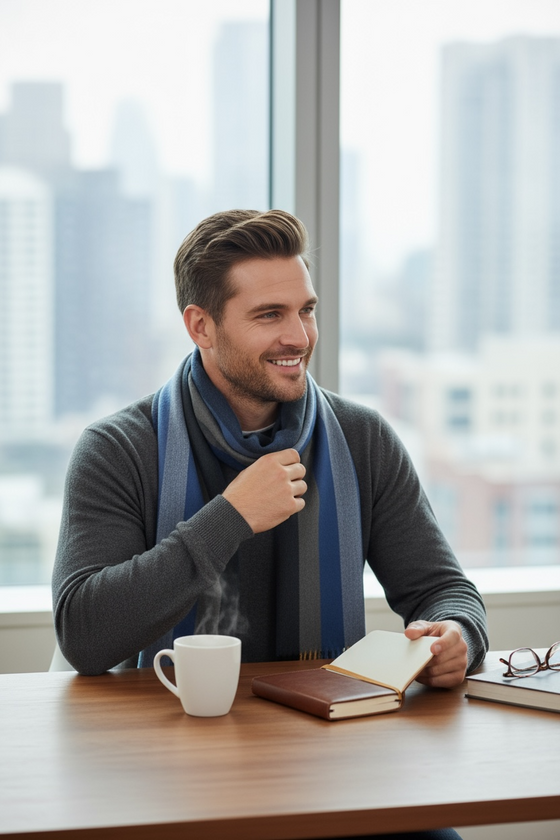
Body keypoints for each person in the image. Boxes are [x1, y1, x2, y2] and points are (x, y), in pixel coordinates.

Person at [53, 209, 487, 840]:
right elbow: (85, 635)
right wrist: (228, 517)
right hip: (163, 768)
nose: (299, 336)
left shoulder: (362, 439)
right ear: (200, 326)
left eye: (305, 310)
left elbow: (443, 588)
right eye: (269, 315)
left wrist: (457, 636)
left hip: (335, 755)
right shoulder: (119, 449)